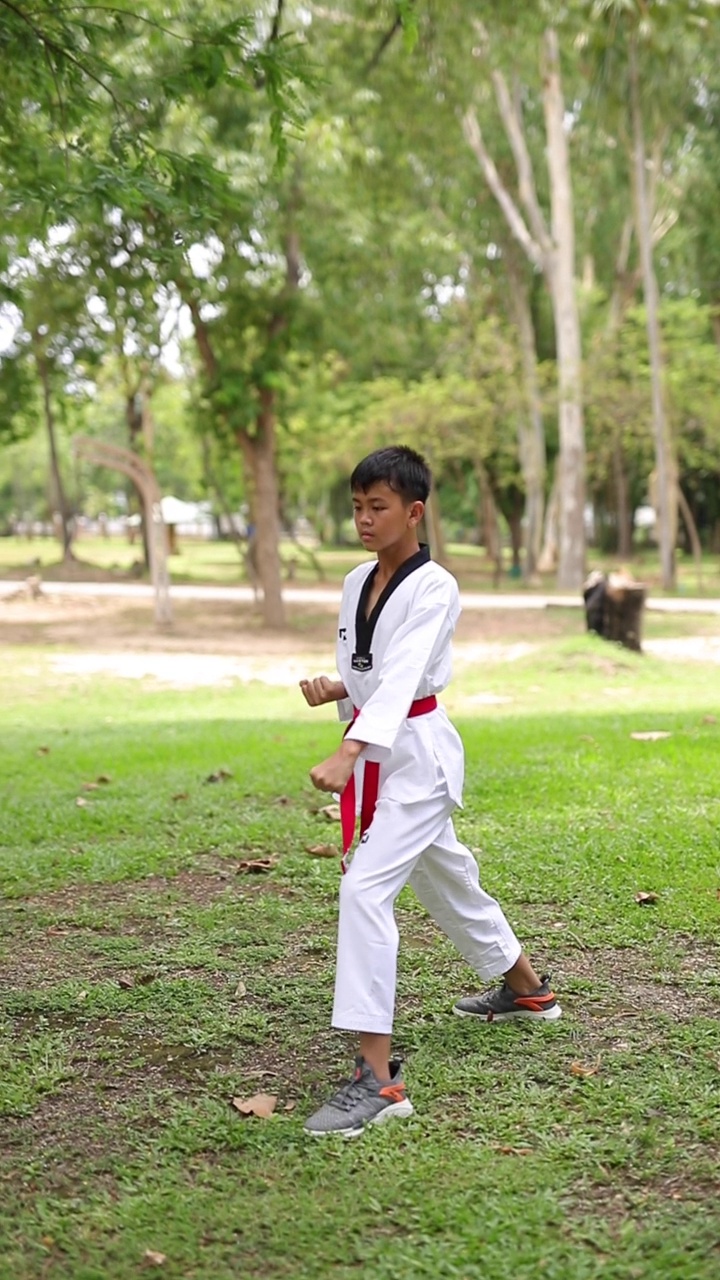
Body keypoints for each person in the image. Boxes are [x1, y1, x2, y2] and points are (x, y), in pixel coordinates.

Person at [299, 445, 560, 1139]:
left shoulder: (435, 585)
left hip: (417, 760)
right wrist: (337, 689)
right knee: (447, 878)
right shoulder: (357, 580)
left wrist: (350, 748)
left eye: (377, 507)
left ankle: (379, 1084)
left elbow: (410, 670)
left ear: (414, 512)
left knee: (364, 891)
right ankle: (529, 992)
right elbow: (371, 668)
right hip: (383, 750)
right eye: (356, 506)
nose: (363, 519)